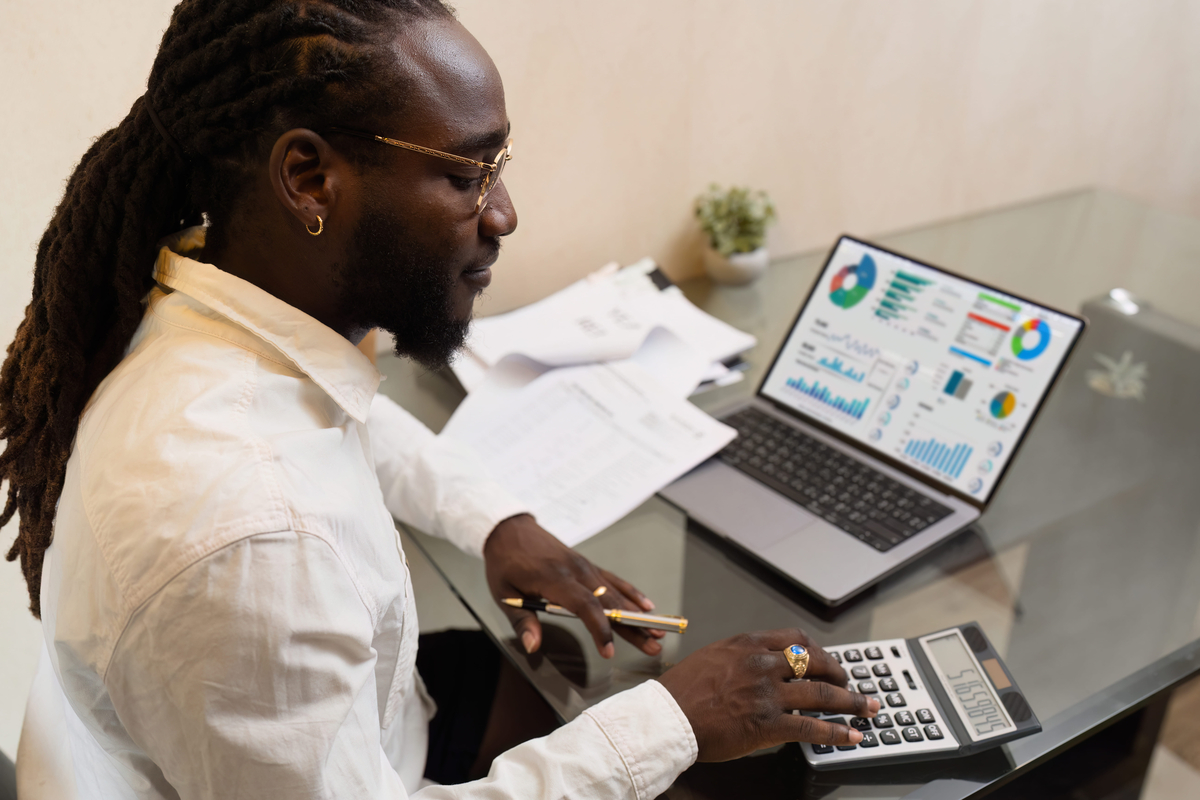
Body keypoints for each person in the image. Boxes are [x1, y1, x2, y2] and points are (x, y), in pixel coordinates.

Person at [1, 2, 878, 797]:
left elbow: (334, 413)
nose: (504, 214)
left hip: (377, 731)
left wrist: (495, 523)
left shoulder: (216, 302)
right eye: (466, 176)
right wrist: (673, 722)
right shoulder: (250, 537)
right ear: (308, 178)